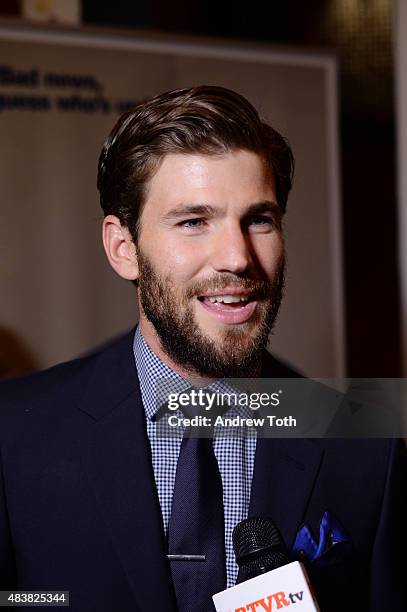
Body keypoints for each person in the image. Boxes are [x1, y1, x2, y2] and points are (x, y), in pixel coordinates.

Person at [0, 86, 405, 612]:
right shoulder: (16, 434)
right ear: (124, 249)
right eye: (194, 221)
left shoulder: (361, 443)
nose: (237, 257)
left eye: (259, 219)